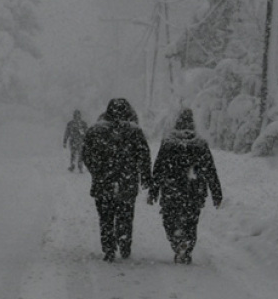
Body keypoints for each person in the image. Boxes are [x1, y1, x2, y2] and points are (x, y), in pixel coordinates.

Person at [81, 98, 153, 262]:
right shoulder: (134, 131)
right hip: (127, 182)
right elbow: (144, 156)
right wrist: (145, 177)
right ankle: (124, 242)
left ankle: (108, 248)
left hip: (103, 182)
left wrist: (97, 172)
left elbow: (86, 155)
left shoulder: (95, 130)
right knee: (125, 214)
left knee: (105, 216)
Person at [149, 108, 222, 264]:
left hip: (171, 189)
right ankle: (187, 246)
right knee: (191, 221)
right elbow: (210, 169)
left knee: (169, 218)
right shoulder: (201, 144)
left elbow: (159, 168)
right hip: (194, 190)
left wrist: (154, 190)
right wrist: (216, 192)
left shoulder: (168, 142)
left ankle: (176, 242)